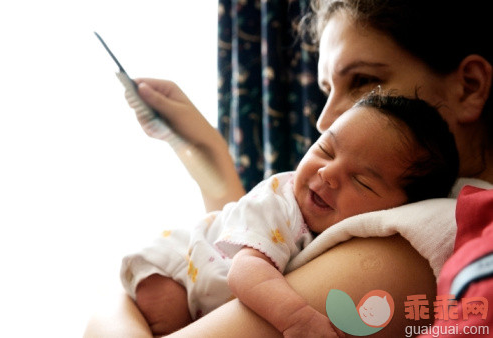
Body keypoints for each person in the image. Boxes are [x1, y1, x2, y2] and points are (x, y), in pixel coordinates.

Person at [83, 0, 493, 337]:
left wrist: (112, 302)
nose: (325, 120)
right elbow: (252, 244)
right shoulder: (397, 214)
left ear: (470, 85)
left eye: (366, 82)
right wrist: (203, 149)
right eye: (326, 90)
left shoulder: (419, 234)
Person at [120, 92, 458, 336]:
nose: (327, 173)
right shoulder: (279, 201)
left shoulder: (383, 232)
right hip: (175, 268)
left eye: (361, 180)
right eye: (325, 149)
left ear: (398, 208)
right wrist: (297, 318)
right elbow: (246, 270)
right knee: (169, 319)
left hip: (202, 292)